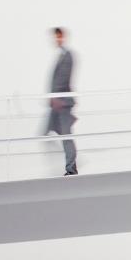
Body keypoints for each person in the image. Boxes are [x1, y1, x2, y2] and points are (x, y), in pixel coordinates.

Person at [46, 27, 78, 175]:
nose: (57, 40)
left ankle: (71, 168)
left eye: (59, 37)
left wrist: (56, 97)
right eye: (56, 37)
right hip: (57, 103)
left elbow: (63, 79)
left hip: (62, 103)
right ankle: (72, 162)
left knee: (65, 135)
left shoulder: (67, 55)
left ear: (64, 37)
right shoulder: (61, 55)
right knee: (49, 132)